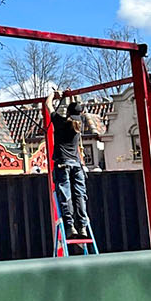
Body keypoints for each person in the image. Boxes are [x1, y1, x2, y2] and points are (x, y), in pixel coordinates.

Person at [45, 91, 92, 238]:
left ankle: (70, 226)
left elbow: (48, 105)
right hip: (76, 165)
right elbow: (76, 110)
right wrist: (70, 95)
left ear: (68, 113)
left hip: (63, 163)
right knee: (79, 195)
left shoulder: (60, 122)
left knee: (66, 195)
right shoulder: (79, 124)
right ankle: (83, 226)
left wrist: (54, 94)